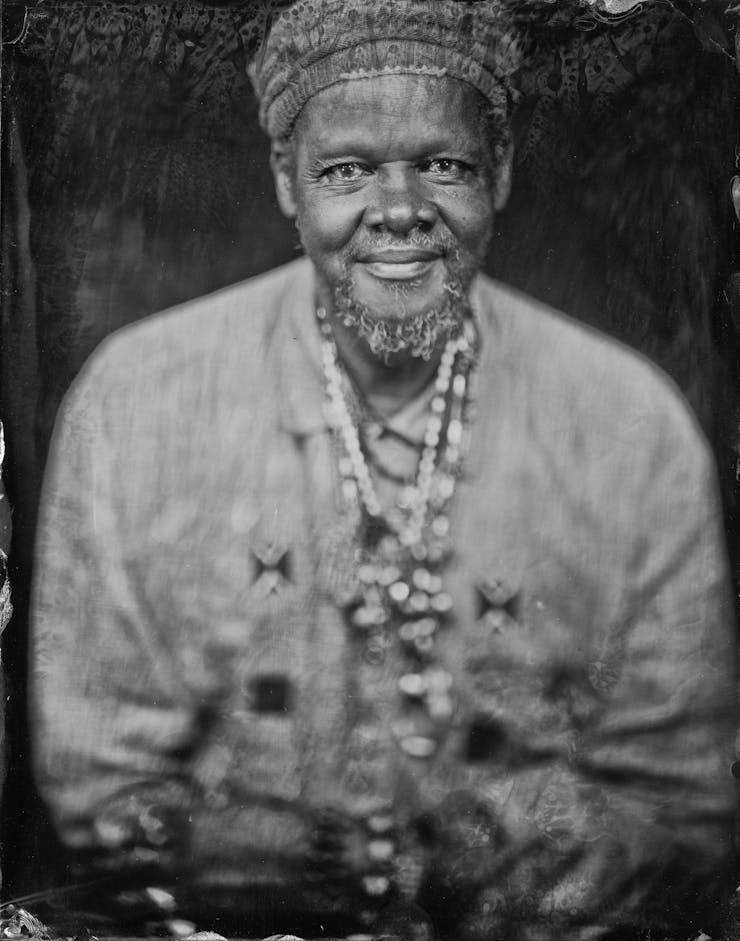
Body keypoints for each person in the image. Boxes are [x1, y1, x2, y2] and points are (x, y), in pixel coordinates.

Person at [29, 2, 737, 938]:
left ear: (501, 170)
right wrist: (227, 843)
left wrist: (550, 845)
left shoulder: (629, 426)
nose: (399, 211)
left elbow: (682, 795)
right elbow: (92, 774)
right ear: (286, 180)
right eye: (347, 170)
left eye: (443, 165)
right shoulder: (135, 405)